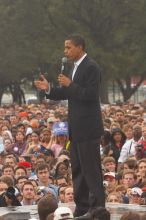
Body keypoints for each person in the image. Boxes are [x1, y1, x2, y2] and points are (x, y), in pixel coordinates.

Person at [34, 34, 105, 217]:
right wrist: (49, 89)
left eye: (68, 47)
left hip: (88, 129)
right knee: (78, 171)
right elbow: (68, 93)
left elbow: (90, 94)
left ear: (79, 47)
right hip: (75, 129)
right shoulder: (74, 67)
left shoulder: (91, 67)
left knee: (91, 171)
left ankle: (97, 209)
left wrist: (70, 84)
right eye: (65, 48)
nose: (65, 51)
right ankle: (82, 208)